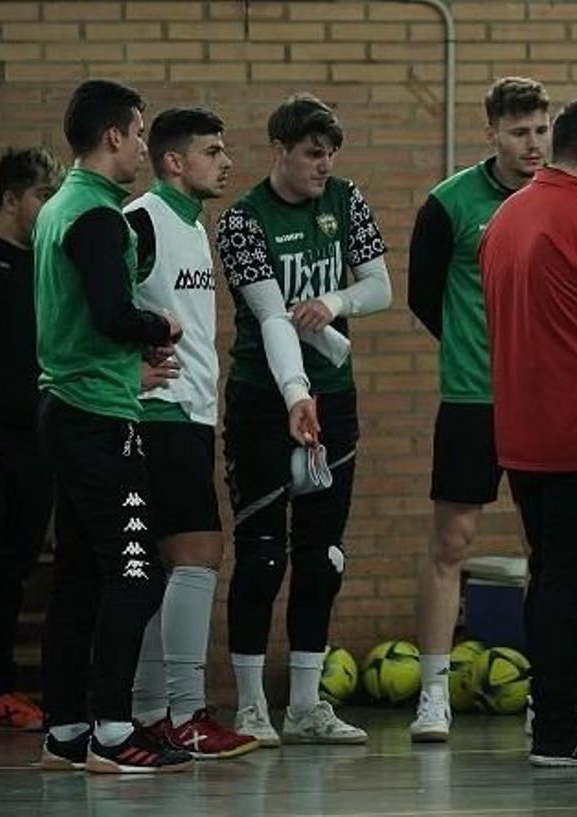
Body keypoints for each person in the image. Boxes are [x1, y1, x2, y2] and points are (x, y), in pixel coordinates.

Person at [215, 93, 391, 746]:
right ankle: (253, 707)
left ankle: (307, 705)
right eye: (313, 154)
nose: (324, 165)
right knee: (263, 556)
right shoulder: (242, 221)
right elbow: (269, 319)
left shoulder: (345, 200)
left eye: (330, 154)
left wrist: (332, 298)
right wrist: (294, 394)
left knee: (324, 556)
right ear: (280, 152)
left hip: (334, 397)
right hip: (265, 399)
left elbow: (380, 287)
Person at [34, 79, 191, 773]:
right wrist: (159, 325)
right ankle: (112, 730)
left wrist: (132, 343)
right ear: (115, 136)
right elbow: (108, 312)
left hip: (66, 407)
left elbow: (84, 314)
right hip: (98, 417)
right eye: (138, 130)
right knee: (136, 577)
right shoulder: (99, 215)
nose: (141, 146)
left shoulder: (59, 207)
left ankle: (67, 730)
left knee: (78, 578)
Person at [480, 97, 577, 768]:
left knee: (549, 576)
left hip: (522, 428)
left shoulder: (506, 216)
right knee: (570, 580)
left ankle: (551, 712)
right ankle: (554, 730)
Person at [405, 77, 551, 743]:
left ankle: (546, 694)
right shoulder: (450, 203)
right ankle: (432, 692)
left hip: (546, 404)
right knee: (452, 543)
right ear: (492, 131)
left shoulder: (566, 200)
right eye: (520, 132)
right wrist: (475, 348)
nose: (533, 144)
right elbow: (423, 296)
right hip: (471, 398)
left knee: (544, 549)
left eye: (542, 130)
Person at [121, 107, 257, 760]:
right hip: (160, 416)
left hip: (194, 415)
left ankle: (150, 709)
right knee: (200, 553)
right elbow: (89, 305)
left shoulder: (193, 225)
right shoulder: (140, 220)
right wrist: (128, 373)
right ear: (175, 161)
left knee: (169, 566)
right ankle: (185, 711)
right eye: (213, 150)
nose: (226, 161)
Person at [0, 147, 62, 732]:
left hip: (35, 441)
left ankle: (0, 689)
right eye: (41, 196)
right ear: (11, 198)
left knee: (13, 567)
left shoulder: (44, 266)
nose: (48, 207)